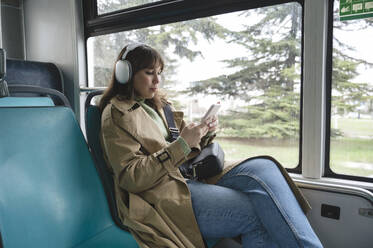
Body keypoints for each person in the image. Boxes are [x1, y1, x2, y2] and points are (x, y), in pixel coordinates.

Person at [99, 43, 323, 248]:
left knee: (264, 168)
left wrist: (205, 131)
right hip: (160, 193)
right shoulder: (116, 115)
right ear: (124, 73)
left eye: (159, 73)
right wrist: (181, 145)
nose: (157, 81)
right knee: (258, 213)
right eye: (149, 73)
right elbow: (130, 177)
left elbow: (185, 144)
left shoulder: (160, 104)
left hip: (186, 174)